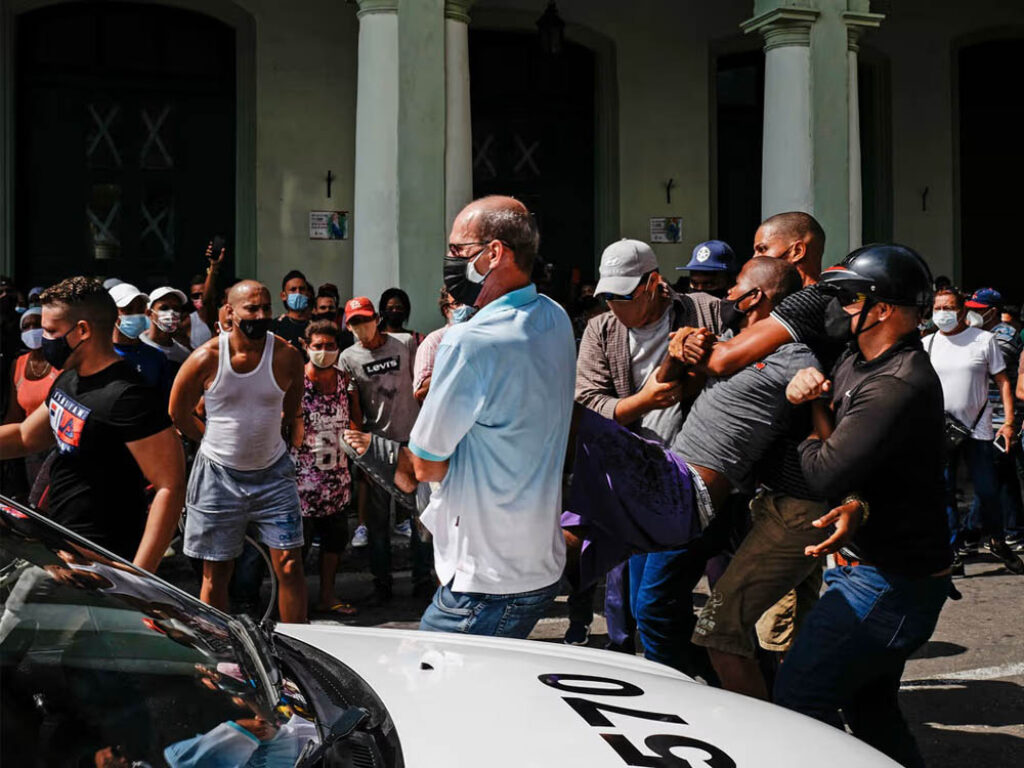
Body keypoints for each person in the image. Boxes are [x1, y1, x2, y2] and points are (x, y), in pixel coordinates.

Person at [772, 245, 953, 768]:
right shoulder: (857, 357)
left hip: (891, 582)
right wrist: (816, 397)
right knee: (869, 708)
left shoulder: (899, 383)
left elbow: (826, 471)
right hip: (870, 567)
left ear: (886, 310)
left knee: (798, 700)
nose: (837, 308)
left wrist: (805, 415)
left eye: (849, 297)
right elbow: (844, 455)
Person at [407, 195, 575, 638]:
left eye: (458, 251)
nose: (449, 261)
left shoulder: (470, 343)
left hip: (483, 580)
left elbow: (425, 461)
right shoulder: (555, 318)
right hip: (537, 564)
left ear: (493, 253)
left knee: (432, 697)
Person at [573, 237, 722, 675]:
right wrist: (643, 401)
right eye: (608, 297)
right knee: (637, 597)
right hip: (632, 476)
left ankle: (694, 678)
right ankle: (673, 670)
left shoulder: (705, 311)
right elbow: (587, 402)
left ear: (654, 283)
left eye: (624, 296)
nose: (615, 306)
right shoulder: (601, 330)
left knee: (658, 600)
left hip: (698, 472)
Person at [0, 277, 186, 572]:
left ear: (82, 330)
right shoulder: (69, 378)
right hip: (61, 545)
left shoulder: (128, 396)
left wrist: (138, 577)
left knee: (14, 619)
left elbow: (170, 486)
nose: (45, 339)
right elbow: (25, 436)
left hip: (104, 558)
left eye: (51, 331)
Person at [169, 280, 308, 622]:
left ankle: (301, 649)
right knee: (216, 572)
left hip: (273, 473)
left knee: (290, 565)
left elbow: (293, 403)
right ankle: (222, 654)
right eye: (251, 309)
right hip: (218, 476)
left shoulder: (286, 356)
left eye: (265, 308)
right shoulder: (207, 357)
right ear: (230, 312)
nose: (260, 315)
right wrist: (208, 438)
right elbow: (177, 412)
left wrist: (285, 428)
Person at [339, 296, 431, 603]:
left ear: (376, 318)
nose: (361, 327)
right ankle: (382, 584)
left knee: (421, 517)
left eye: (364, 319)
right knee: (378, 523)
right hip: (377, 446)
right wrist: (360, 451)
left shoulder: (405, 343)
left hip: (413, 441)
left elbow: (422, 384)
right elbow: (351, 406)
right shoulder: (348, 358)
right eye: (354, 322)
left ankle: (422, 579)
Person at [927, 287, 1022, 574]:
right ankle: (952, 550)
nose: (943, 313)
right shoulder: (926, 344)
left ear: (961, 311)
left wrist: (1007, 423)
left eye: (949, 307)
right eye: (938, 307)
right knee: (943, 493)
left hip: (978, 429)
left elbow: (1003, 382)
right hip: (939, 431)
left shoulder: (983, 340)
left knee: (987, 490)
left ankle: (995, 538)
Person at [291, 319, 363, 616]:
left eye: (330, 346)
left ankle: (327, 597)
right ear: (305, 347)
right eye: (317, 346)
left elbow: (356, 420)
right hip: (301, 484)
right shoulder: (295, 382)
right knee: (298, 548)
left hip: (338, 479)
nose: (324, 351)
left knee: (334, 545)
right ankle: (293, 605)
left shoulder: (345, 381)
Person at [2, 307, 60, 491]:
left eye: (38, 325)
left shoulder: (61, 362)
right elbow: (14, 413)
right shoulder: (18, 364)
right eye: (27, 326)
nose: (32, 330)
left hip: (55, 444)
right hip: (28, 447)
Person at [108, 283, 173, 400]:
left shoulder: (156, 356)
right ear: (111, 313)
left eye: (140, 309)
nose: (136, 315)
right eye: (128, 310)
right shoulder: (102, 355)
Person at [413, 287, 473, 403]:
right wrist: (455, 366)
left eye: (468, 301)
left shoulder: (481, 337)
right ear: (446, 310)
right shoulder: (433, 342)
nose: (465, 308)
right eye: (458, 303)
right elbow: (420, 391)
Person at [142, 287, 191, 366]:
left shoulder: (183, 355)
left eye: (176, 308)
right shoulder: (137, 345)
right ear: (149, 313)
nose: (171, 313)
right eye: (164, 308)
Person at [272, 270, 314, 350]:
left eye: (302, 289)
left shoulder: (317, 326)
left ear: (308, 294)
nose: (298, 293)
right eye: (293, 289)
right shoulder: (275, 327)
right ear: (283, 296)